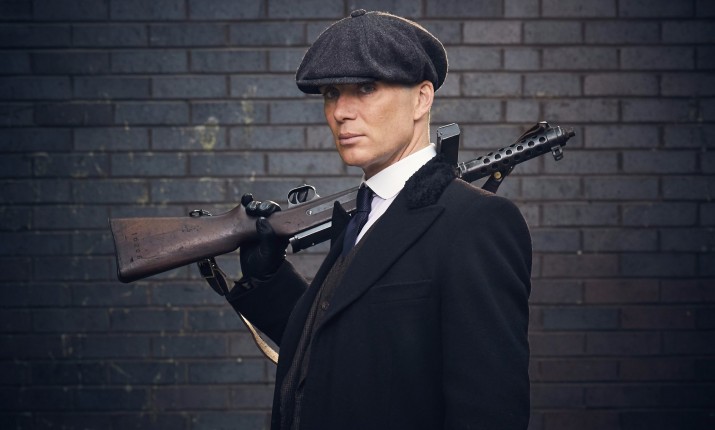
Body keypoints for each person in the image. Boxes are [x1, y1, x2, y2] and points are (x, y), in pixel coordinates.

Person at [225, 10, 532, 430]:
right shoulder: (363, 215)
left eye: (366, 88)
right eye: (331, 93)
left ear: (421, 99)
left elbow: (489, 411)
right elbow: (347, 349)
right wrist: (268, 279)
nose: (341, 112)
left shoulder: (477, 222)